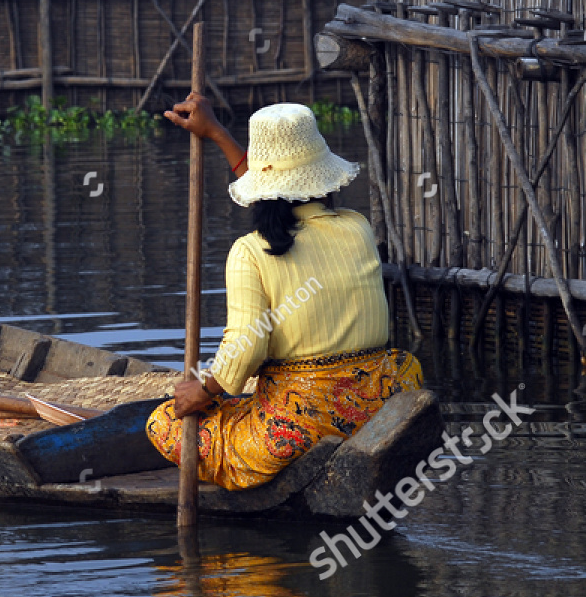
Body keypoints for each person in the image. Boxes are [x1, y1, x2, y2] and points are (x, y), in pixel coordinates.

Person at [146, 95, 423, 491]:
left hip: (303, 426)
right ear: (321, 176)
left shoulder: (250, 251)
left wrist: (203, 391)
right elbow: (278, 192)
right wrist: (217, 133)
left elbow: (247, 348)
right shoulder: (357, 227)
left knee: (161, 421)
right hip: (377, 404)